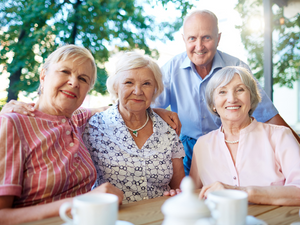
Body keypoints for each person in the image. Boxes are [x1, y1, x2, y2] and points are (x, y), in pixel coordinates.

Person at [153, 9, 300, 175]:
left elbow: (268, 115)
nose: (199, 46)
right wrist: (159, 111)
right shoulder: (170, 70)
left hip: (229, 145)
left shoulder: (237, 68)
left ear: (218, 39)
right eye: (192, 38)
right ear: (184, 40)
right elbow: (146, 108)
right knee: (190, 195)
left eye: (206, 37)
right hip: (187, 150)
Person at [0, 45, 123, 225]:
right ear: (43, 75)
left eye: (83, 78)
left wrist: (157, 113)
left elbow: (113, 109)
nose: (74, 82)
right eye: (65, 71)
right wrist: (81, 203)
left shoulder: (76, 119)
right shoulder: (13, 124)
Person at [82, 51, 185, 204]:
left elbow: (179, 187)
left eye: (146, 84)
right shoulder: (93, 127)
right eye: (129, 82)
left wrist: (176, 193)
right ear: (116, 86)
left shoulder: (168, 129)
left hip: (158, 216)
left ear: (155, 89)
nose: (138, 91)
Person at [189, 66, 300, 205]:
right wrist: (175, 193)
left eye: (240, 90)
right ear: (213, 104)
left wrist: (241, 192)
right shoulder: (202, 145)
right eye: (222, 92)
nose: (232, 99)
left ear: (251, 98)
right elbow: (193, 194)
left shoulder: (280, 136)